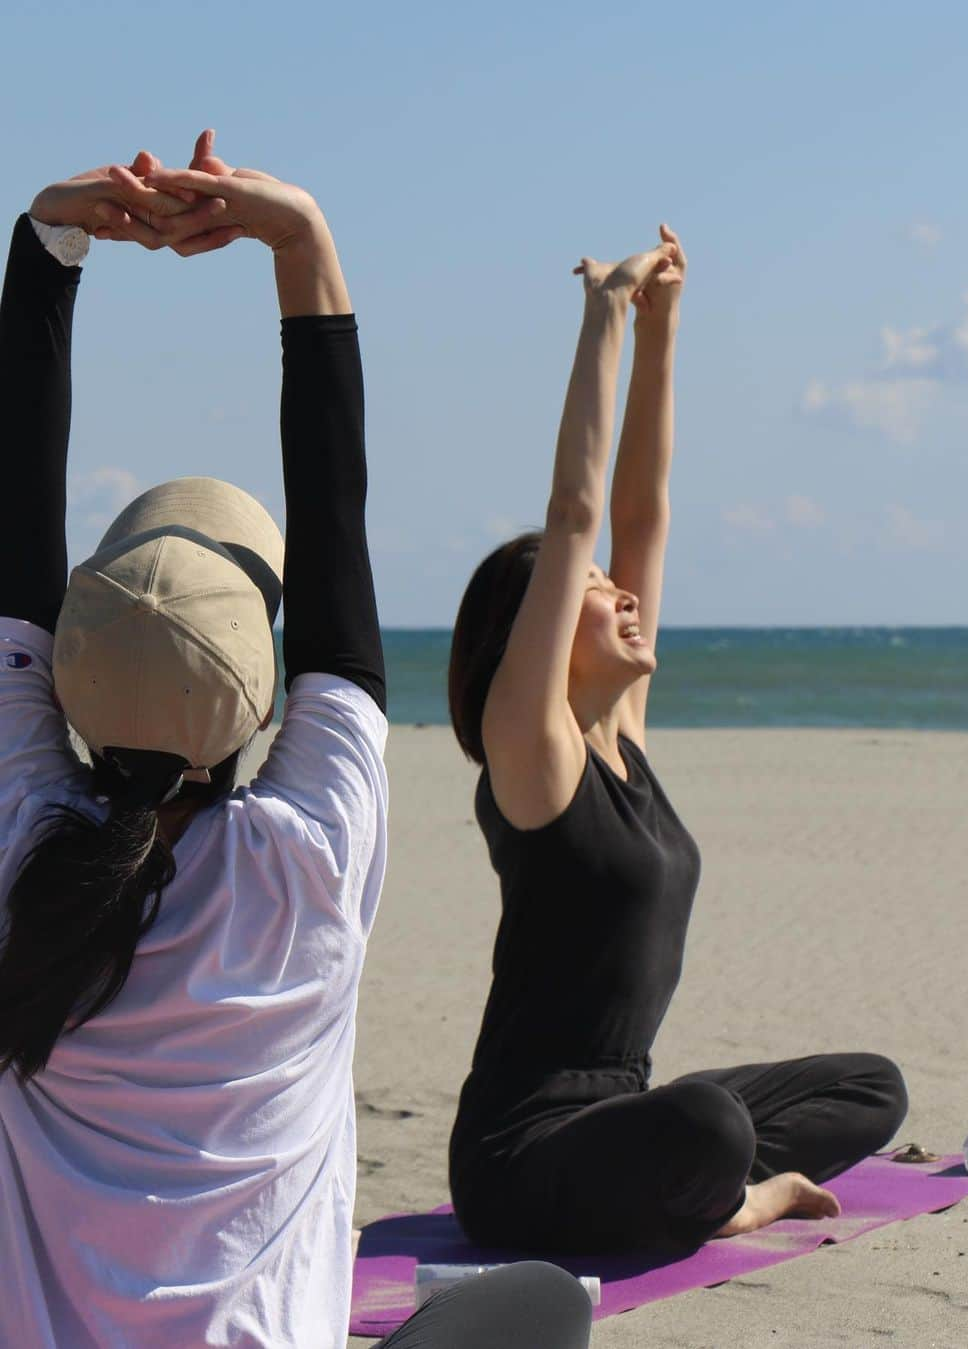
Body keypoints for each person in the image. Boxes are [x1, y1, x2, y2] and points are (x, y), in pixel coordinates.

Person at [0, 134, 592, 1349]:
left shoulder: (21, 838)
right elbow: (335, 532)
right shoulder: (301, 862)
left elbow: (12, 518)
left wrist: (48, 248)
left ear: (65, 674)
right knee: (534, 1310)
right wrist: (298, 239)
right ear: (259, 699)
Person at [446, 227, 909, 1254]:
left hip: (623, 1115)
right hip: (522, 1157)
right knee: (711, 1124)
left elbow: (640, 514)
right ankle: (738, 1196)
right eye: (597, 591)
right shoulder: (535, 751)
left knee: (870, 1086)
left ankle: (702, 1178)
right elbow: (578, 512)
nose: (624, 595)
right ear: (535, 636)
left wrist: (666, 332)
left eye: (620, 587)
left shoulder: (624, 741)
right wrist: (605, 314)